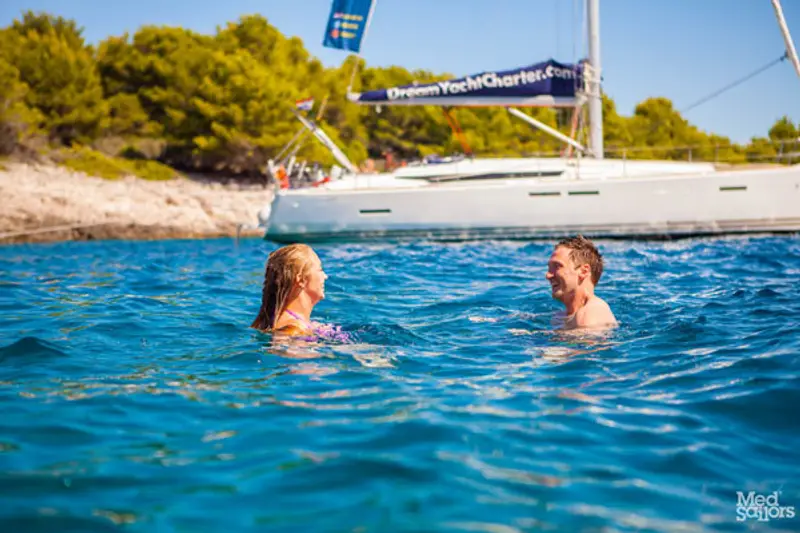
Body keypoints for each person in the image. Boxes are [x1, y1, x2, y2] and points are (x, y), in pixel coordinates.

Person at [251, 244, 348, 341]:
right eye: (320, 270)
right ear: (301, 280)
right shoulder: (291, 332)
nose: (325, 276)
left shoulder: (296, 325)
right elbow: (283, 351)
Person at [545, 235, 617, 330]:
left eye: (557, 266)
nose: (548, 275)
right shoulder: (561, 316)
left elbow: (585, 342)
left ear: (583, 271)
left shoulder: (591, 313)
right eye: (549, 268)